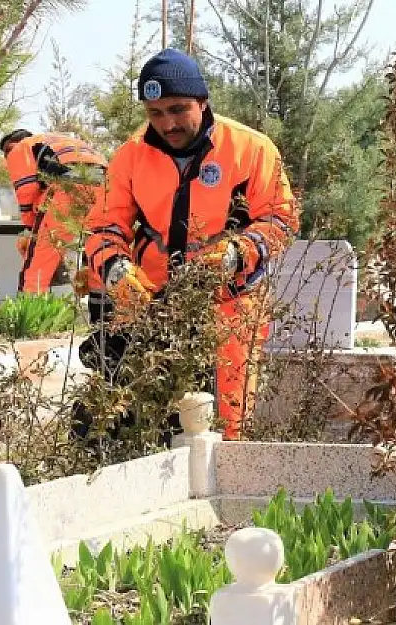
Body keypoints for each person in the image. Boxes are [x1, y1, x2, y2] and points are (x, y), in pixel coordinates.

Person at [80, 48, 299, 440]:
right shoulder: (130, 157)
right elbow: (103, 228)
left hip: (230, 304)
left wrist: (237, 253)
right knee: (138, 422)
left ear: (203, 101)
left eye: (179, 109)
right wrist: (116, 270)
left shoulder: (252, 150)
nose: (168, 123)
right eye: (156, 113)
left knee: (228, 425)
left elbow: (279, 219)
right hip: (149, 303)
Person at [0, 129, 108, 294]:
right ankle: (103, 311)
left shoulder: (19, 148)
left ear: (10, 147)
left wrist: (31, 231)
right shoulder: (58, 141)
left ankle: (29, 310)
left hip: (68, 186)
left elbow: (26, 192)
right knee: (99, 256)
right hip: (104, 185)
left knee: (37, 263)